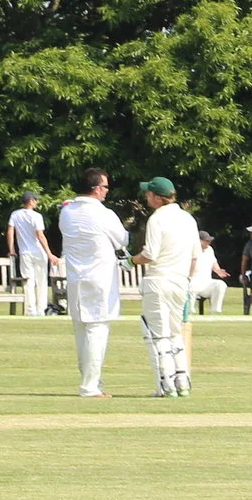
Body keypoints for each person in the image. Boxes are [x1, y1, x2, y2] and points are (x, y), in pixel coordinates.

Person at [58, 168, 130, 398]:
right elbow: (122, 239)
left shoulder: (67, 212)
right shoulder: (104, 214)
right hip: (99, 278)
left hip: (75, 277)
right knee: (97, 329)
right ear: (97, 189)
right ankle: (90, 386)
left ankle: (90, 381)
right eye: (105, 187)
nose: (107, 192)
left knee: (81, 328)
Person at [132, 177, 199, 397]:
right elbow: (194, 257)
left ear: (158, 198)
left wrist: (130, 261)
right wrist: (186, 282)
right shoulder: (188, 219)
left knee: (157, 335)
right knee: (174, 333)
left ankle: (166, 386)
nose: (146, 197)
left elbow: (150, 254)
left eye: (149, 194)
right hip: (180, 282)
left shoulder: (157, 218)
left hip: (158, 281)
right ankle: (183, 383)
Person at [8, 191, 52, 317]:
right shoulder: (37, 216)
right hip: (39, 252)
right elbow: (40, 235)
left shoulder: (15, 215)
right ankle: (41, 309)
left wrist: (12, 249)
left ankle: (30, 309)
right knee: (41, 282)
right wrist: (49, 253)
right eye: (35, 200)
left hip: (25, 253)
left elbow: (10, 232)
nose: (37, 202)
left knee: (28, 282)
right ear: (31, 201)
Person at [187, 232, 229, 315]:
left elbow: (214, 262)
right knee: (190, 287)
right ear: (199, 241)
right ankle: (189, 313)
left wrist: (218, 270)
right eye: (206, 241)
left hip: (206, 282)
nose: (209, 243)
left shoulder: (210, 249)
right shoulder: (190, 249)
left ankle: (215, 312)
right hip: (193, 280)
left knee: (221, 284)